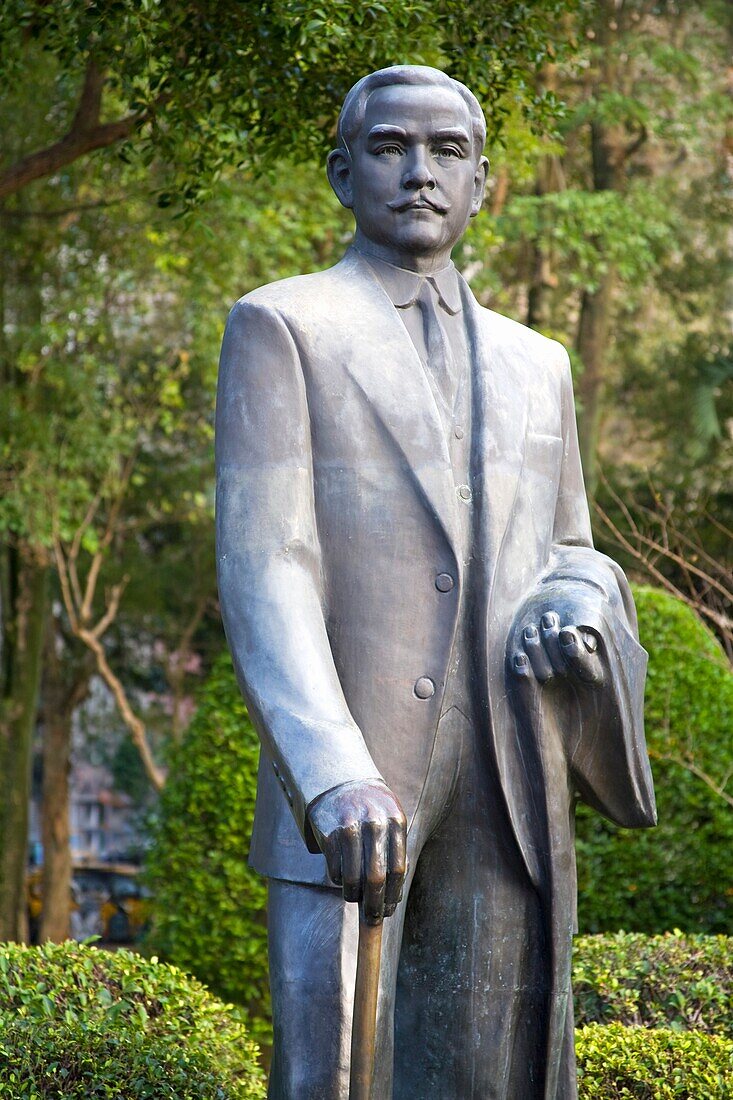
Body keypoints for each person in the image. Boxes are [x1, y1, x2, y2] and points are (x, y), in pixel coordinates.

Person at [215, 65, 656, 1100]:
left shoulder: (536, 360)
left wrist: (576, 602)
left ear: (482, 181)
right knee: (334, 1077)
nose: (420, 173)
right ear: (341, 172)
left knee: (492, 1076)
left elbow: (568, 546)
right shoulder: (284, 326)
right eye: (389, 148)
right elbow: (266, 562)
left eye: (447, 152)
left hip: (507, 783)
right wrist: (330, 773)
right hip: (355, 790)